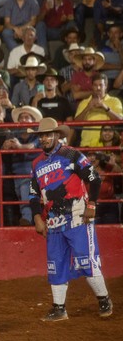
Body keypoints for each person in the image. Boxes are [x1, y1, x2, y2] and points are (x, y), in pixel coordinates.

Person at [28, 117, 113, 322]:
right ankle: (59, 308)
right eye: (41, 135)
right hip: (54, 221)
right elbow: (33, 194)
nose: (45, 138)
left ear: (57, 135)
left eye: (48, 134)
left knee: (86, 259)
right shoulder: (36, 163)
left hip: (78, 217)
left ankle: (104, 300)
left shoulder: (71, 154)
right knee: (55, 263)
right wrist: (38, 218)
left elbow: (94, 178)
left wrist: (91, 204)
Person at [2, 105, 42, 225]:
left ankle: (27, 219)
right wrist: (5, 146)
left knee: (26, 191)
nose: (23, 120)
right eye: (21, 118)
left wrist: (19, 147)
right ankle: (30, 219)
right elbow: (3, 151)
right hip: (17, 173)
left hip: (32, 172)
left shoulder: (38, 134)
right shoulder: (13, 134)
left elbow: (31, 147)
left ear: (32, 121)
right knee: (22, 196)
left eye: (26, 117)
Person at [75, 73, 123, 147]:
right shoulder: (84, 103)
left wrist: (105, 107)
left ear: (106, 86)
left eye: (101, 85)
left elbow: (120, 121)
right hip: (87, 146)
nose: (98, 88)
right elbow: (76, 123)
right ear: (92, 86)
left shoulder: (114, 101)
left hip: (108, 147)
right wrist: (88, 108)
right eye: (95, 85)